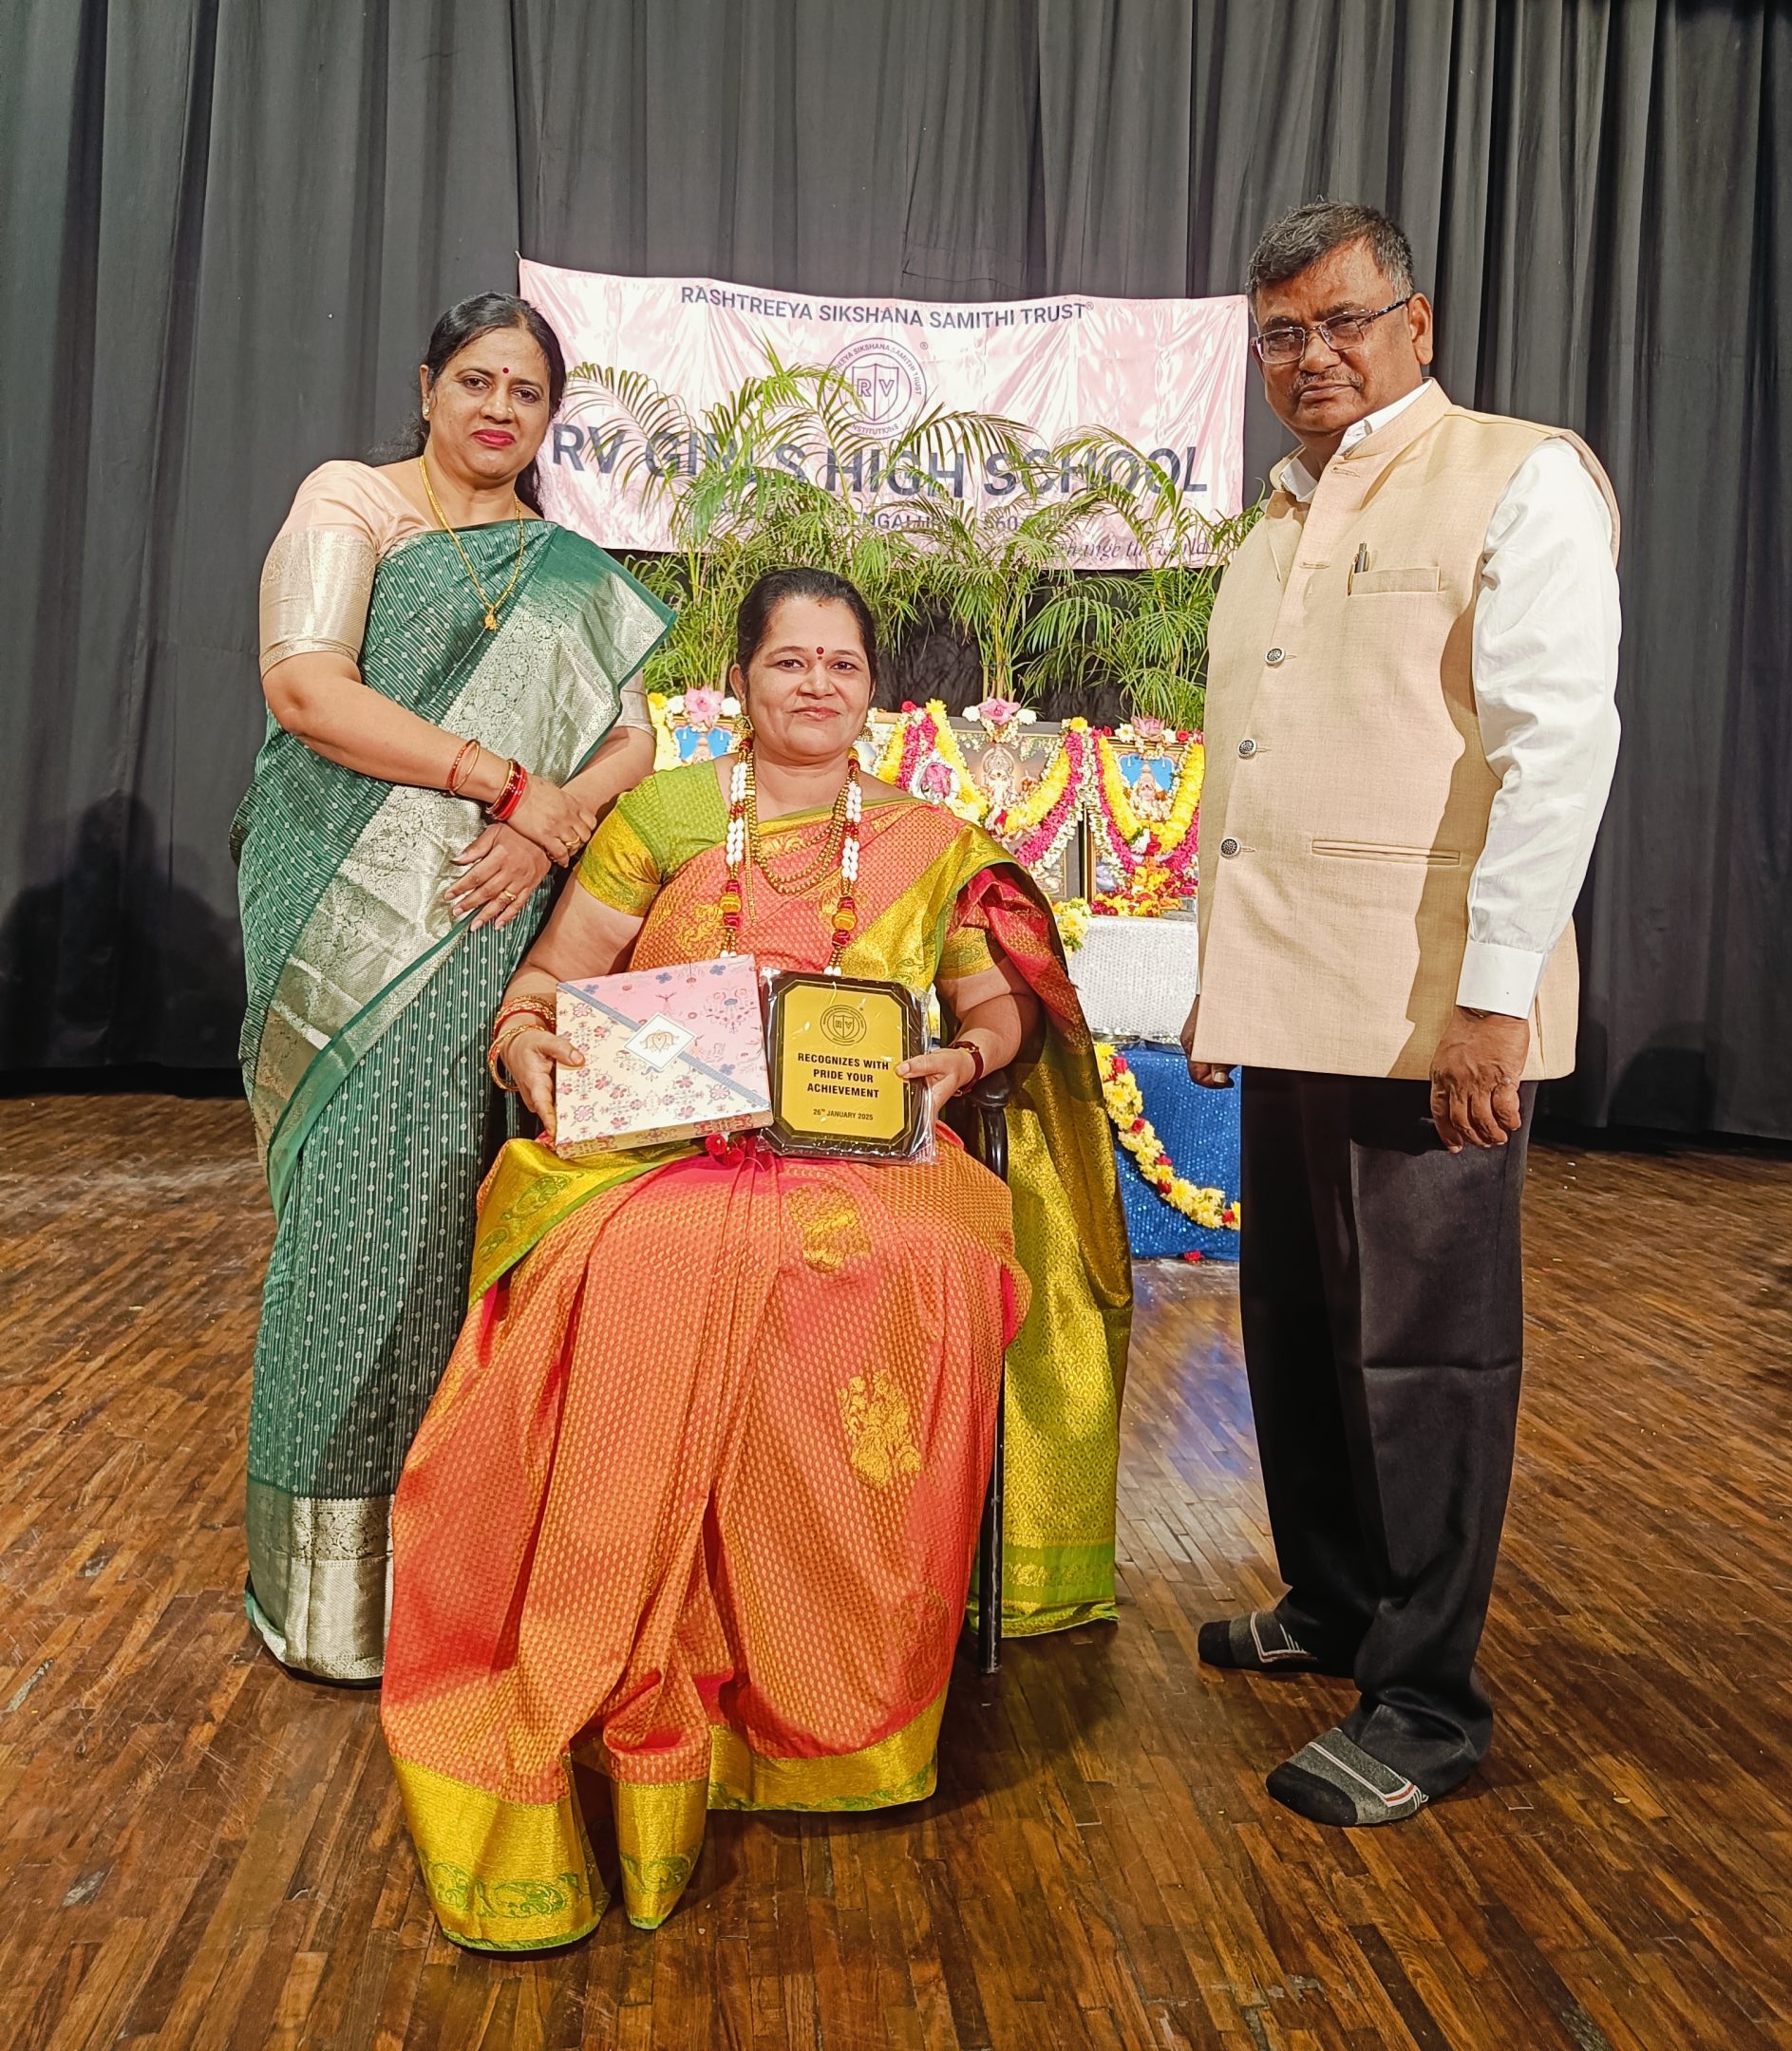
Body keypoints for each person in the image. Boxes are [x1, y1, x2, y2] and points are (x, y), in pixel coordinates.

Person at [379, 568, 1129, 1947]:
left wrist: (959, 1063)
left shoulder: (932, 842)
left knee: (899, 1270)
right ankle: (628, 1650)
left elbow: (996, 1012)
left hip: (871, 1156)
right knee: (644, 1260)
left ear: (874, 691)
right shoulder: (665, 817)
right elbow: (549, 978)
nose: (816, 686)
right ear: (742, 682)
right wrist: (530, 1042)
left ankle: (831, 1687)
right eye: (790, 662)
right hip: (659, 1146)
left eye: (842, 665)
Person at [1182, 201, 1621, 1827]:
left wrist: (1493, 1002)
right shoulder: (1274, 518)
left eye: (1346, 320)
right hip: (1294, 997)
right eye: (1283, 333)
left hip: (1436, 1009)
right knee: (1297, 1329)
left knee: (1427, 1357)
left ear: (1416, 325)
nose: (1315, 355)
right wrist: (1223, 980)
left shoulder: (1520, 475)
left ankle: (1428, 1700)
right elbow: (1254, 778)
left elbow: (1555, 748)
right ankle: (1336, 1603)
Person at [235, 292, 669, 1684]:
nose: (499, 410)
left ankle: (452, 1576)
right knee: (353, 1215)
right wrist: (503, 781)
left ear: (549, 419)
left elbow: (631, 741)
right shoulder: (353, 501)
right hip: (341, 902)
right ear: (427, 387)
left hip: (493, 908)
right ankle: (329, 1599)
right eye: (477, 381)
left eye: (527, 393)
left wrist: (548, 821)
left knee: (458, 1211)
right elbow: (307, 690)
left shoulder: (564, 567)